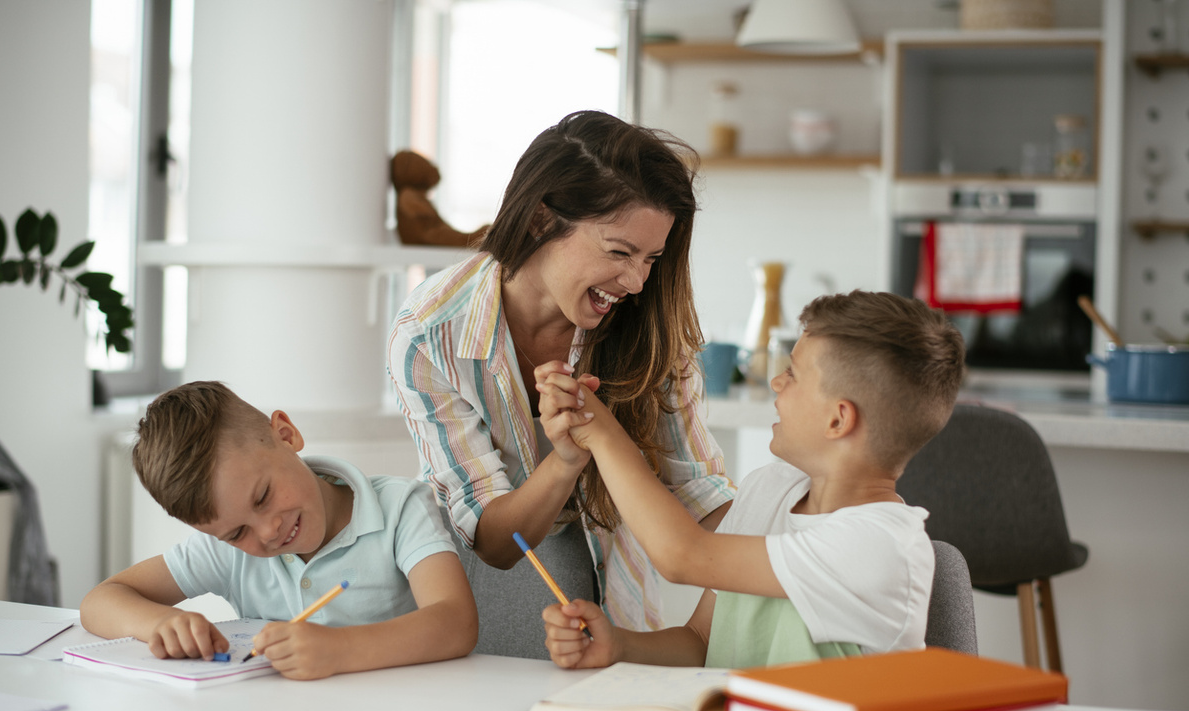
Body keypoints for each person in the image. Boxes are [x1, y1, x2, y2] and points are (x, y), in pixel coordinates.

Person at [387, 110, 735, 659]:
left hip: (609, 583)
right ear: (539, 221)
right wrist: (568, 458)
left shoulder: (652, 331)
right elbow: (495, 542)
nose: (637, 282)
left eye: (651, 258)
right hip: (475, 577)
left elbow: (698, 491)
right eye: (619, 252)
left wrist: (788, 536)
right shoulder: (430, 332)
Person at [538, 290, 966, 669]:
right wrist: (619, 646)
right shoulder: (769, 488)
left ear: (838, 419)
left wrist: (600, 430)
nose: (777, 381)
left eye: (793, 374)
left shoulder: (881, 546)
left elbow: (681, 556)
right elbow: (701, 641)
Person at [80, 381, 478, 680]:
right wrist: (160, 624)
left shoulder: (401, 508)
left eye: (263, 496)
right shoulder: (225, 551)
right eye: (237, 533)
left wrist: (338, 650)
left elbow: (456, 623)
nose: (268, 531)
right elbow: (100, 601)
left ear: (286, 436)